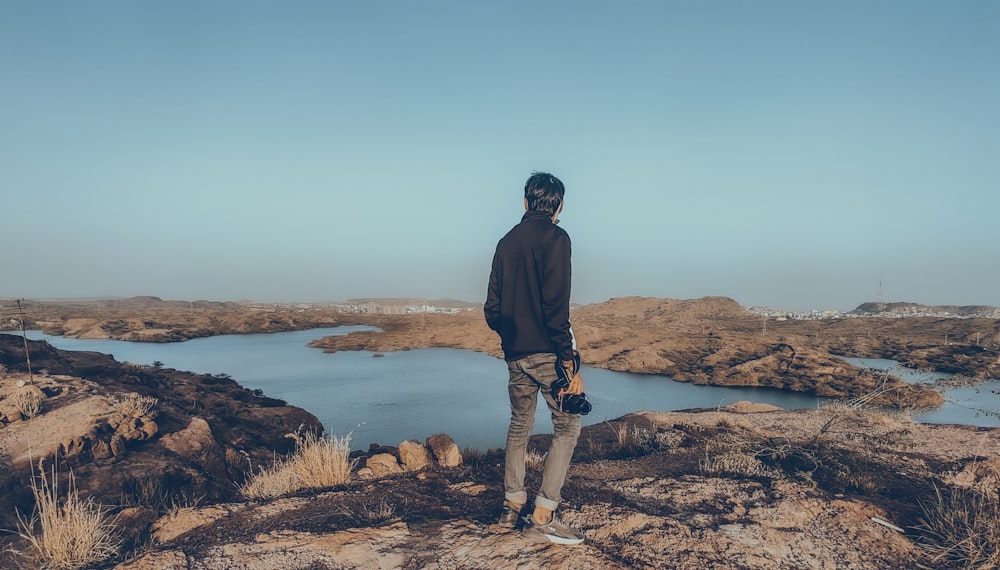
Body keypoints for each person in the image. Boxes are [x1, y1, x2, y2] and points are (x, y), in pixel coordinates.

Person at [484, 171, 586, 545]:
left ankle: (511, 507)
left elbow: (492, 309)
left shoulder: (505, 242)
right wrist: (568, 359)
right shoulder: (556, 238)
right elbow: (556, 306)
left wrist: (513, 336)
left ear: (526, 202)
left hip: (516, 356)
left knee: (519, 425)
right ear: (558, 205)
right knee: (567, 427)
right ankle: (543, 513)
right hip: (548, 351)